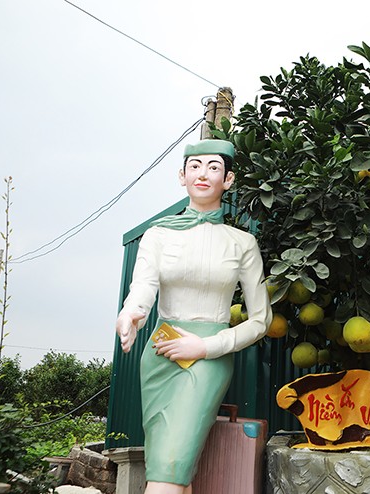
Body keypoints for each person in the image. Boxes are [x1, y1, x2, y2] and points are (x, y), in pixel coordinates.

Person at [115, 139, 272, 494]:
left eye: (214, 168)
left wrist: (205, 347)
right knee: (172, 470)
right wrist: (131, 313)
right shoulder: (157, 235)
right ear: (181, 176)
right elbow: (143, 287)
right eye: (195, 167)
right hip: (161, 353)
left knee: (168, 469)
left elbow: (260, 320)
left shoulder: (242, 243)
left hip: (207, 360)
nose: (203, 174)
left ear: (228, 180)